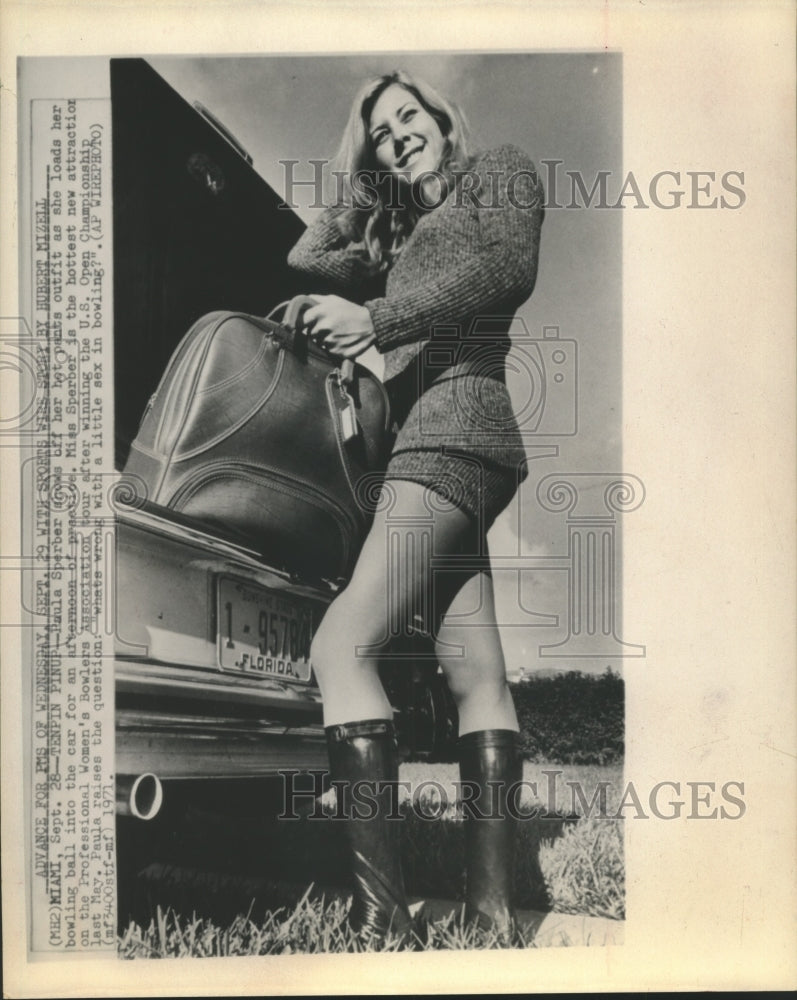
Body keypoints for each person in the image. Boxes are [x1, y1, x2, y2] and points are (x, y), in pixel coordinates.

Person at [286, 69, 544, 945]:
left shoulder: (498, 172)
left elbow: (509, 270)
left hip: (452, 432)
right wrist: (361, 169)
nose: (399, 135)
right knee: (478, 678)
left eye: (408, 118)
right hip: (445, 448)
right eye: (383, 131)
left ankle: (383, 928)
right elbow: (306, 258)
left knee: (339, 645)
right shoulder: (394, 233)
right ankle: (493, 916)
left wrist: (377, 322)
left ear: (442, 118)